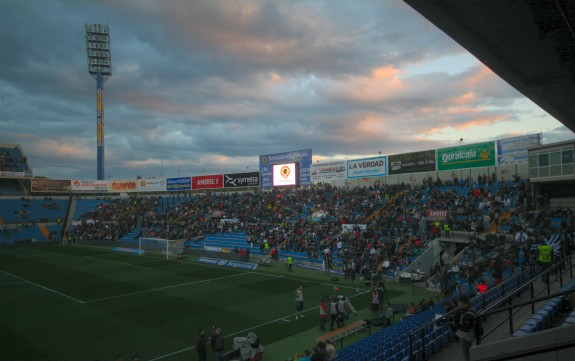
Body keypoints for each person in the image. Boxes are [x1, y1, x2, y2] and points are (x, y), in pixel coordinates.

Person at [451, 294, 477, 361]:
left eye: (459, 303)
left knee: (466, 356)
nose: (458, 305)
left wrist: (455, 325)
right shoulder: (469, 310)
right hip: (468, 337)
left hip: (467, 338)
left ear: (463, 303)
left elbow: (466, 328)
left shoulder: (468, 314)